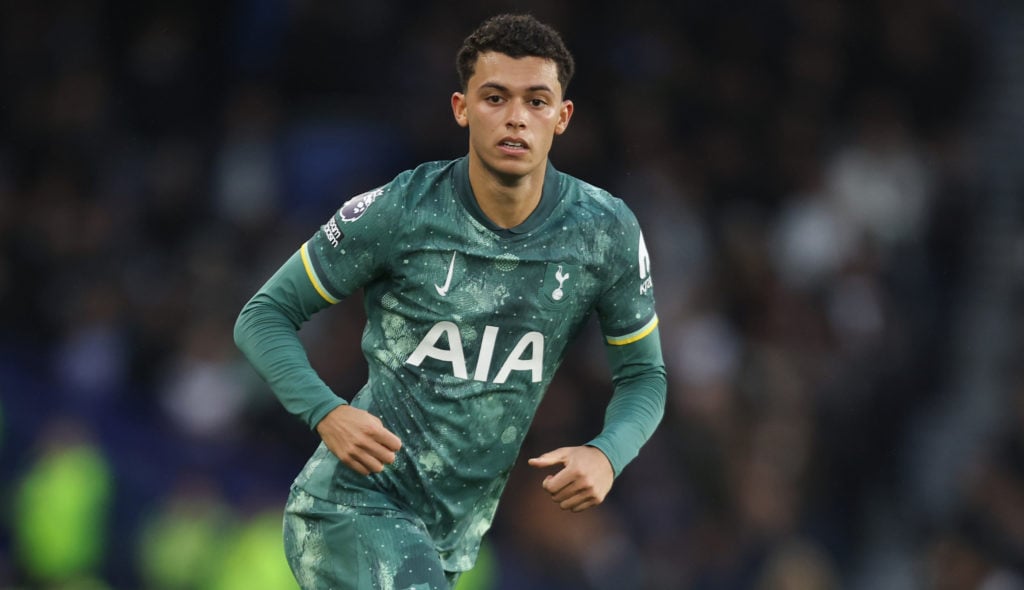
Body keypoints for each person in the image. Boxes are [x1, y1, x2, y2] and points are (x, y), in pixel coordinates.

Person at [234, 13, 666, 589]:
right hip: (350, 510)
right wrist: (327, 412)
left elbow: (644, 376)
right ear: (462, 108)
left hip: (449, 539)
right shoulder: (402, 210)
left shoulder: (604, 231)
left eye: (536, 101)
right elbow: (262, 316)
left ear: (562, 118)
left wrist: (608, 454)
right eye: (496, 97)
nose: (516, 117)